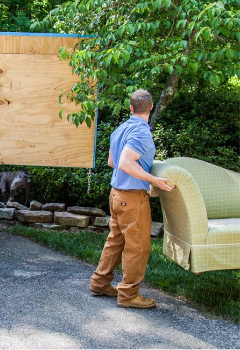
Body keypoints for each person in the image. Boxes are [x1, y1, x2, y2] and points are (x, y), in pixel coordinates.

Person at [88, 89, 174, 309]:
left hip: (116, 195)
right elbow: (125, 162)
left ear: (131, 108)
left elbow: (112, 162)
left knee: (115, 241)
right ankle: (128, 295)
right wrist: (153, 179)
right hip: (133, 198)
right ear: (151, 107)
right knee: (138, 247)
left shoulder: (121, 129)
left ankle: (100, 283)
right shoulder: (142, 133)